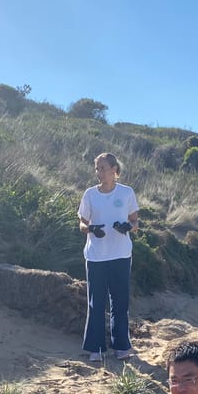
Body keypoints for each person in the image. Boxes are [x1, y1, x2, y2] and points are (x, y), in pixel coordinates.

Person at [77, 152, 140, 362]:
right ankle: (95, 348)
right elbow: (82, 223)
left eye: (103, 168)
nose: (99, 172)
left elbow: (135, 222)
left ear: (114, 170)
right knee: (96, 303)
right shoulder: (90, 194)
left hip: (121, 255)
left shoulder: (126, 192)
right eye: (97, 168)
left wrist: (127, 227)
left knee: (120, 303)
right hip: (96, 256)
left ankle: (121, 346)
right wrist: (91, 229)